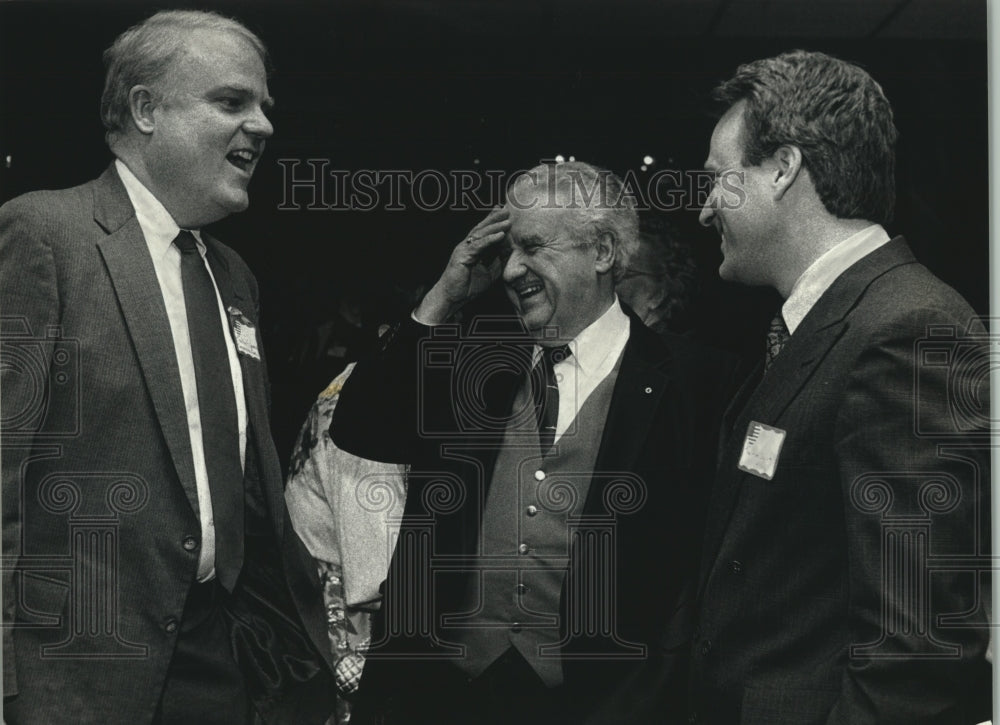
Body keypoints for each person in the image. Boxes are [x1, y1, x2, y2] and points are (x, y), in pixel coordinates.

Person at [0, 10, 334, 724]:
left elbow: (247, 486)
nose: (264, 125)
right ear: (146, 109)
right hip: (72, 679)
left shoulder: (235, 276)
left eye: (265, 107)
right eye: (232, 101)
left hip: (217, 666)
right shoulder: (46, 234)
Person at [330, 161, 736, 724]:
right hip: (435, 695)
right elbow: (360, 428)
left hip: (595, 703)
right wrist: (443, 297)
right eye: (508, 250)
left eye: (533, 247)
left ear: (601, 253)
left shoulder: (698, 385)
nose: (511, 269)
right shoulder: (472, 355)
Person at [691, 50, 991, 724]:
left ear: (783, 167)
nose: (707, 207)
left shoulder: (906, 329)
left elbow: (916, 656)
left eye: (718, 179)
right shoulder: (825, 321)